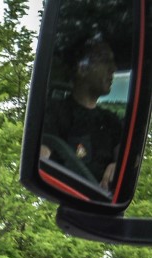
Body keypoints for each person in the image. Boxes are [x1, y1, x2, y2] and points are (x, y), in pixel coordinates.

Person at [40, 37, 124, 187]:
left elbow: (129, 160)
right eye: (105, 61)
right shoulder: (54, 112)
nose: (114, 68)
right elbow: (41, 156)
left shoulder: (111, 121)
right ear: (82, 69)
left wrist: (118, 166)